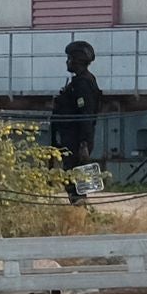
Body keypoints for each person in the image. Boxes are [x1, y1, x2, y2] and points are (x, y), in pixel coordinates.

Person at [48, 40, 105, 204]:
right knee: (75, 179)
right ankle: (81, 209)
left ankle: (81, 211)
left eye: (69, 58)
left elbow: (86, 114)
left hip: (76, 140)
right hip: (70, 138)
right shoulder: (79, 82)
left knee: (75, 181)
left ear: (77, 60)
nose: (67, 62)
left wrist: (84, 144)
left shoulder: (83, 84)